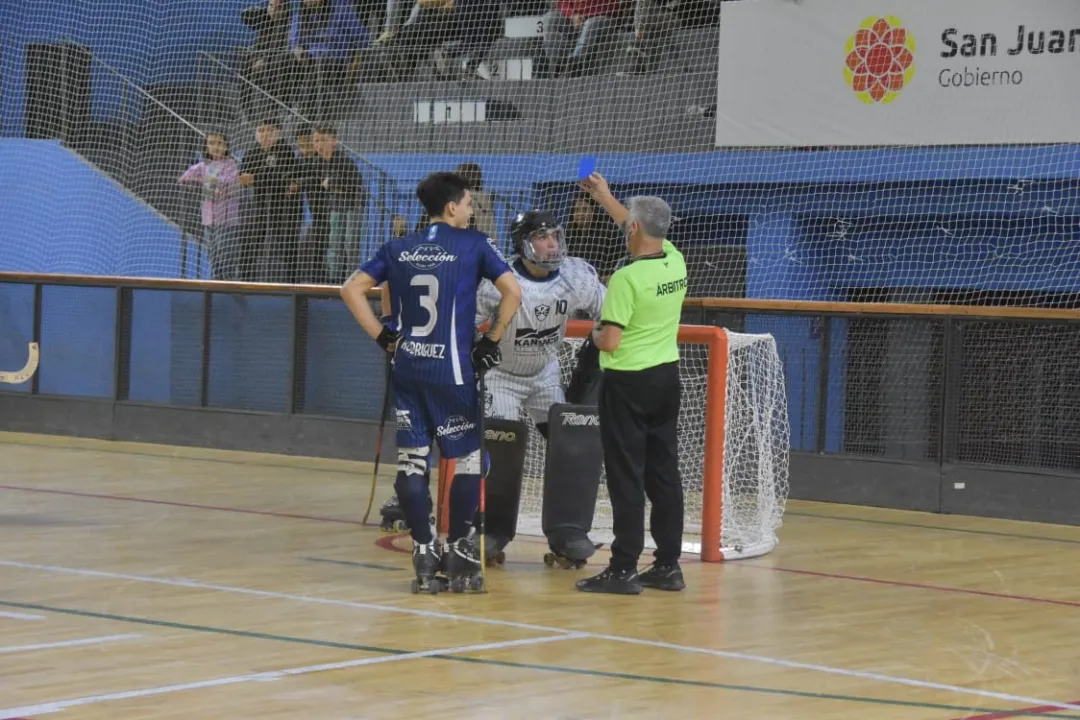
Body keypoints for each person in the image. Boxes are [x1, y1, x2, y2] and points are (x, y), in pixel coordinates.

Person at [340, 171, 522, 593]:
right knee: (472, 461)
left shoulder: (398, 247)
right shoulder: (475, 245)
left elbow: (352, 289)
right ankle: (459, 549)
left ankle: (423, 551)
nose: (473, 208)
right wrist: (491, 339)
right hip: (452, 370)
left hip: (407, 367)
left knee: (412, 462)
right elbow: (513, 292)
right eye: (469, 202)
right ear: (452, 206)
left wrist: (385, 336)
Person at [575, 171, 688, 595]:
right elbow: (632, 221)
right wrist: (605, 197)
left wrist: (592, 332)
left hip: (627, 383)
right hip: (666, 379)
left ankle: (622, 568)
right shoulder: (673, 258)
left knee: (626, 477)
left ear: (636, 229)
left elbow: (611, 341)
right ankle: (668, 565)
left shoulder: (625, 278)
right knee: (664, 473)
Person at [475, 209, 606, 565]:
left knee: (572, 448)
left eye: (555, 236)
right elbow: (466, 322)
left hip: (545, 374)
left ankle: (568, 531)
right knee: (498, 454)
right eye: (542, 237)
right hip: (501, 376)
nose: (552, 245)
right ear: (523, 244)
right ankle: (491, 530)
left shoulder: (576, 277)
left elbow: (611, 313)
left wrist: (599, 344)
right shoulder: (495, 279)